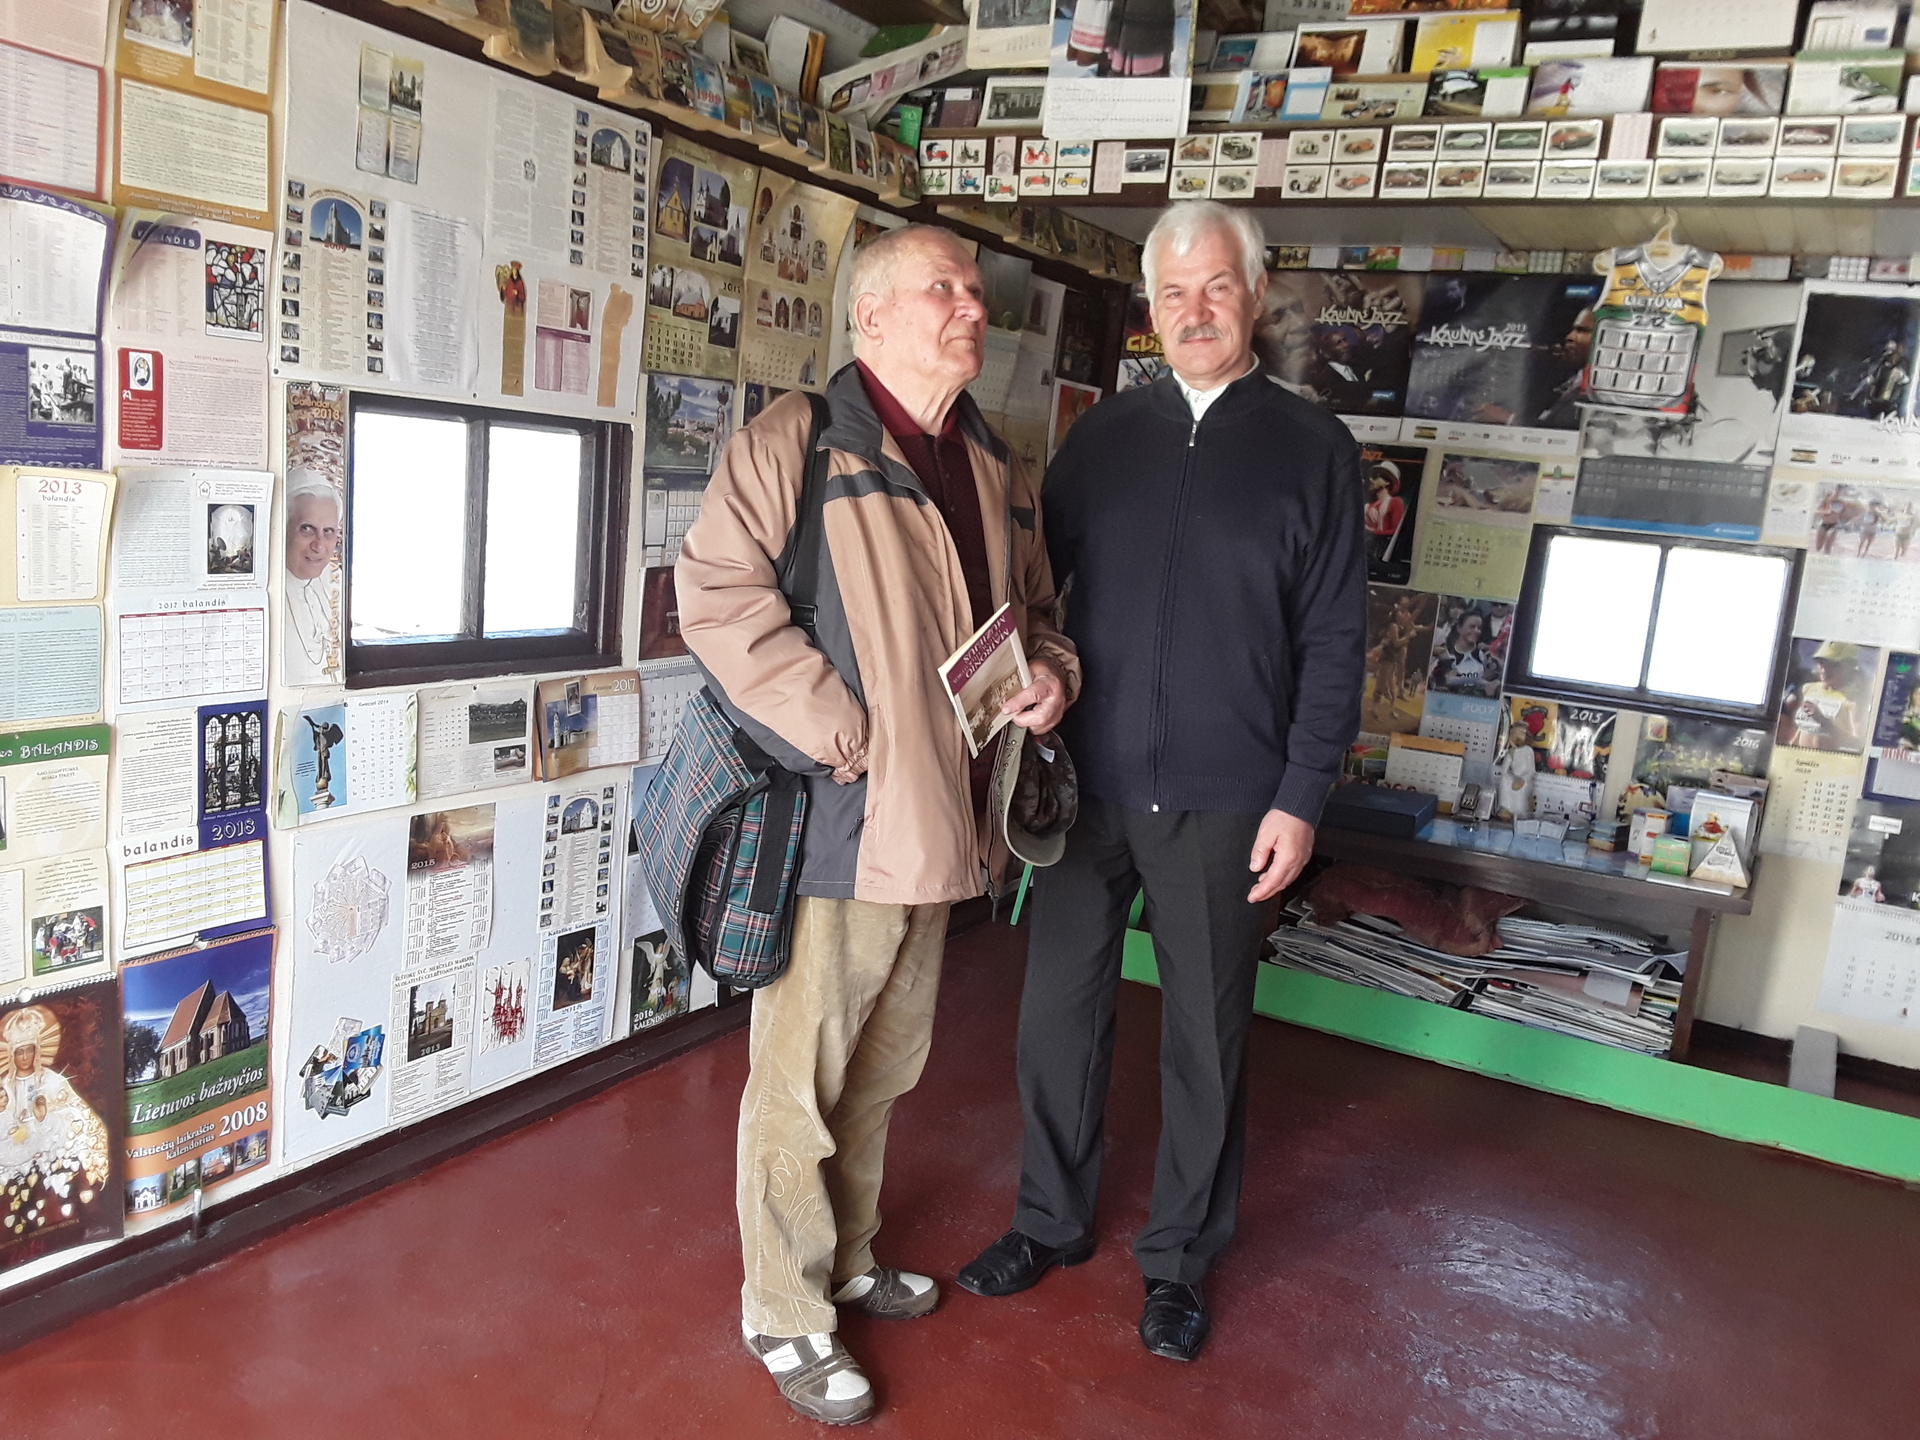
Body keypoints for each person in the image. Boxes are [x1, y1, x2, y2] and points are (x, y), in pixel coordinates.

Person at [675, 224, 1078, 1425]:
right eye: (942, 289)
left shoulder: (995, 464)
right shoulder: (798, 442)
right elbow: (715, 593)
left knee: (887, 1067)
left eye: (976, 291)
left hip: (950, 822)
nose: (972, 308)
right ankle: (781, 1309)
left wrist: (1051, 676)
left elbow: (1037, 613)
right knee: (798, 1079)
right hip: (839, 819)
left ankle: (844, 1260)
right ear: (871, 318)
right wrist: (837, 728)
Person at [957, 201, 1366, 1362]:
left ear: (1254, 294)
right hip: (1086, 784)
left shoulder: (1313, 449)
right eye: (1174, 292)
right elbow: (1041, 597)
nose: (1195, 311)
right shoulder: (1104, 439)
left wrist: (1300, 797)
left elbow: (1337, 639)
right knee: (1057, 1016)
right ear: (1150, 307)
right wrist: (1036, 673)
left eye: (1216, 287)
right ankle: (1049, 1220)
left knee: (1205, 1037)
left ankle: (1180, 1261)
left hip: (1230, 797)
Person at [284, 472, 342, 678]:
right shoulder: (265, 590)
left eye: (328, 531)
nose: (319, 545)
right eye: (307, 529)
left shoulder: (337, 580)